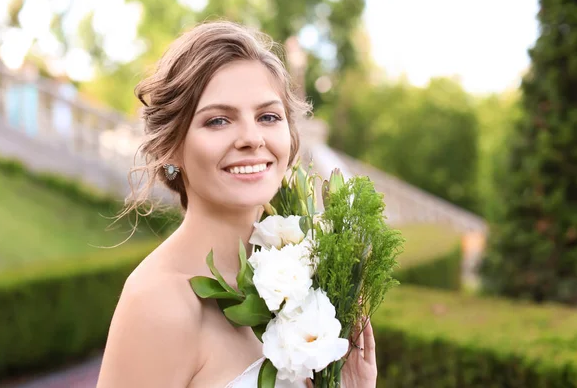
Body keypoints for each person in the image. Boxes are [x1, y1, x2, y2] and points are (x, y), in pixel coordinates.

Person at [96, 20, 377, 388]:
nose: (251, 138)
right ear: (171, 147)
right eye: (218, 120)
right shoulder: (158, 303)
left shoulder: (306, 283)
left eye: (268, 116)